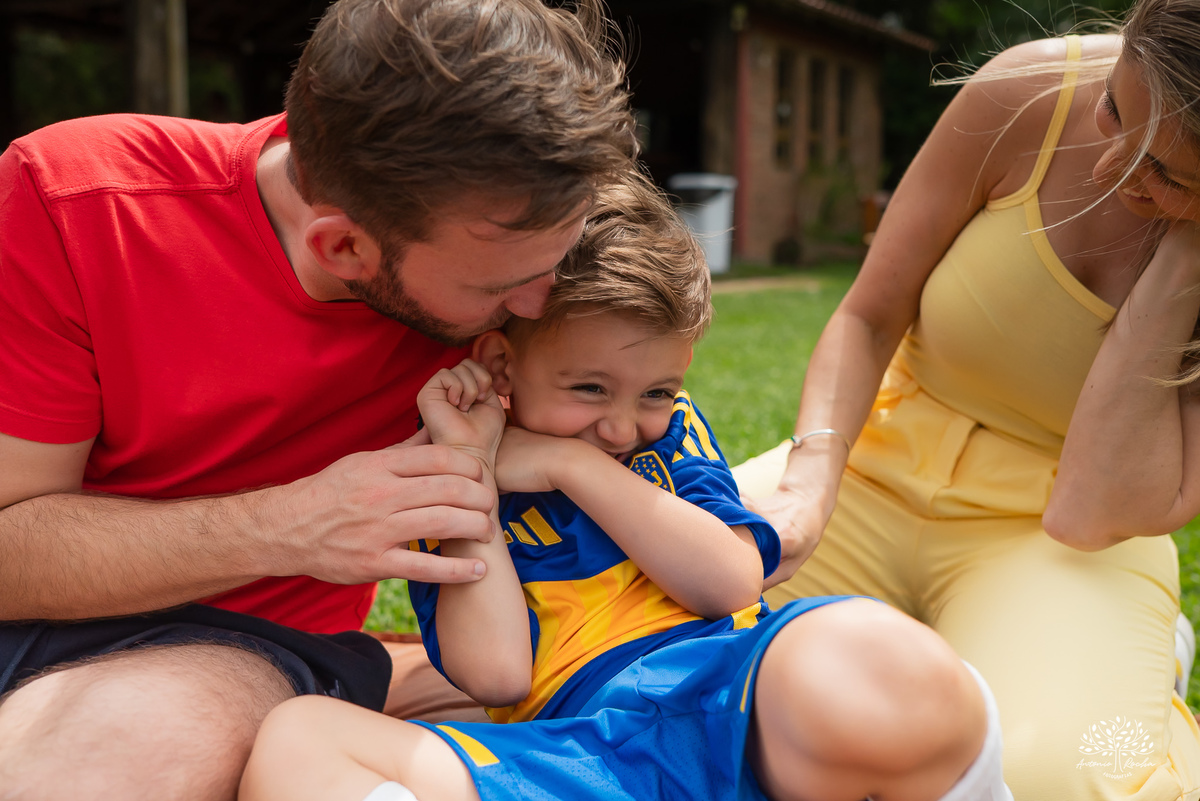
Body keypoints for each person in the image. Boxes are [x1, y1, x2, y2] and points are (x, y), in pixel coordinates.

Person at [0, 0, 636, 798]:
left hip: (246, 648)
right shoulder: (84, 199)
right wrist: (290, 525)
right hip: (35, 621)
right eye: (503, 285)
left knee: (142, 739)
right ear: (343, 246)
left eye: (562, 255)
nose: (543, 306)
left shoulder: (505, 243)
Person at [238, 174, 1013, 801]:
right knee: (299, 736)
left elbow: (729, 581)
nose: (622, 426)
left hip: (736, 693)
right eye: (588, 389)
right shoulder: (450, 468)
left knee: (877, 659)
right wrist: (474, 476)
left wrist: (571, 465)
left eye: (655, 391)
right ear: (503, 363)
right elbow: (499, 674)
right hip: (583, 756)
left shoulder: (666, 435)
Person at [731, 1, 1200, 798]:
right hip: (871, 471)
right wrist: (809, 487)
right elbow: (865, 316)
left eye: (1163, 170)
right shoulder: (1028, 91)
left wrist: (1182, 262)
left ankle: (1133, 688)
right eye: (1115, 108)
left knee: (1074, 775)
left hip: (1059, 541)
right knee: (620, 620)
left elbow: (1088, 512)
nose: (1107, 166)